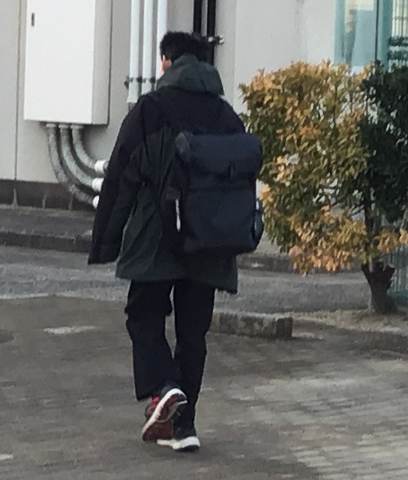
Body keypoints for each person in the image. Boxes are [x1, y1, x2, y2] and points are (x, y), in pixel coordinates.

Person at [88, 31, 246, 452]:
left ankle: (163, 387)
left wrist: (106, 241)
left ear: (165, 62)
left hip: (156, 236)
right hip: (209, 241)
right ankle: (184, 428)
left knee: (144, 315)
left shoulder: (151, 109)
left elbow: (121, 176)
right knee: (193, 334)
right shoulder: (227, 116)